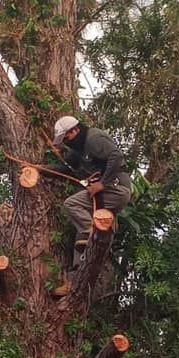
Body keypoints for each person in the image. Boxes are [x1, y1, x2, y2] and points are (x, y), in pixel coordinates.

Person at [51, 115, 131, 287]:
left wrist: (103, 184)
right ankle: (75, 278)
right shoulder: (79, 151)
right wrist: (40, 169)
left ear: (75, 130)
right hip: (105, 195)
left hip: (116, 189)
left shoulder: (93, 138)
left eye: (66, 137)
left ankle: (94, 234)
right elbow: (66, 170)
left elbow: (116, 156)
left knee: (71, 204)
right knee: (81, 231)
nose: (66, 142)